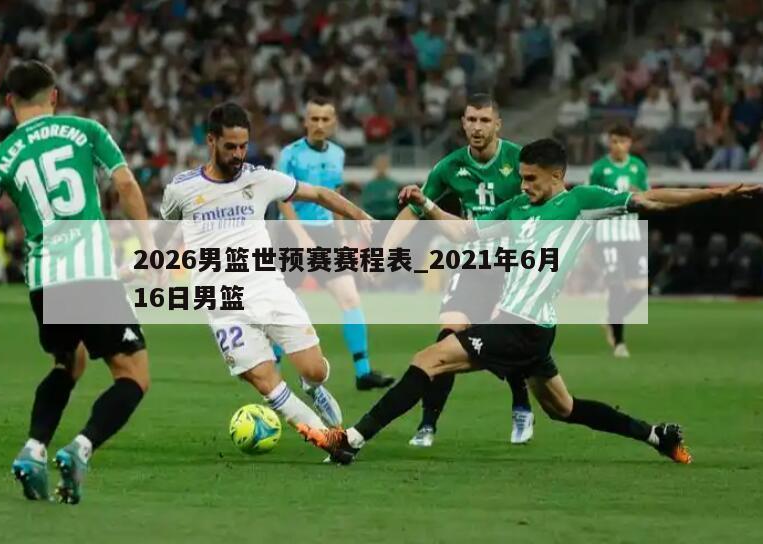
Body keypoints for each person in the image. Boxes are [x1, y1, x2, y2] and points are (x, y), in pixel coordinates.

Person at [298, 138, 760, 465]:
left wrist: (717, 193)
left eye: (532, 179)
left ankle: (351, 439)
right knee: (564, 408)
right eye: (521, 178)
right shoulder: (516, 208)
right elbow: (465, 233)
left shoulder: (581, 202)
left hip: (522, 325)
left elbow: (652, 200)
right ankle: (658, 436)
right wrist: (426, 205)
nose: (524, 186)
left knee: (429, 359)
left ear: (558, 176)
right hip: (529, 328)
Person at [0, 60, 153, 504]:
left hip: (45, 283)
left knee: (70, 362)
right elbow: (125, 185)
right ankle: (80, 448)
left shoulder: (0, 156)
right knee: (134, 375)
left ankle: (33, 449)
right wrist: (148, 246)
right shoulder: (86, 131)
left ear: (10, 101)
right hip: (90, 275)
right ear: (55, 96)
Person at [160, 102, 375, 432]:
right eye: (230, 147)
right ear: (211, 141)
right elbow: (168, 229)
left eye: (243, 146)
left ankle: (313, 387)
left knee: (315, 370)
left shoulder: (260, 179)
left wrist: (358, 214)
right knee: (263, 377)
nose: (238, 154)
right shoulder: (181, 188)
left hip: (268, 288)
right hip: (221, 301)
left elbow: (318, 193)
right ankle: (325, 436)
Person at [382, 93, 531, 448]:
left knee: (508, 341)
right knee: (448, 336)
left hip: (512, 266)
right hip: (472, 263)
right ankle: (428, 423)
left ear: (498, 124)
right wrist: (385, 249)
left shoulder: (518, 160)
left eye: (484, 120)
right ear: (463, 123)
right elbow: (415, 209)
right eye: (471, 120)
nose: (477, 127)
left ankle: (522, 404)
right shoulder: (449, 166)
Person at [276, 96, 393, 391]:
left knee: (350, 298)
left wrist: (341, 235)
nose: (319, 124)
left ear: (334, 122)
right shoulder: (290, 154)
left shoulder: (337, 154)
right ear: (305, 122)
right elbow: (283, 199)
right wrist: (300, 237)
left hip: (327, 233)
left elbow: (335, 197)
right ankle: (272, 372)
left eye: (325, 119)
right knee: (283, 306)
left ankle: (363, 373)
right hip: (292, 234)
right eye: (314, 118)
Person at [588, 124, 649, 358]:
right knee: (617, 286)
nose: (618, 146)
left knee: (641, 288)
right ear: (609, 143)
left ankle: (611, 318)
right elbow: (590, 200)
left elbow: (646, 195)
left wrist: (639, 194)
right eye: (614, 141)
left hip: (631, 233)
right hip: (607, 234)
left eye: (622, 141)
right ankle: (620, 343)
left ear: (629, 143)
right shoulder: (599, 169)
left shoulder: (638, 167)